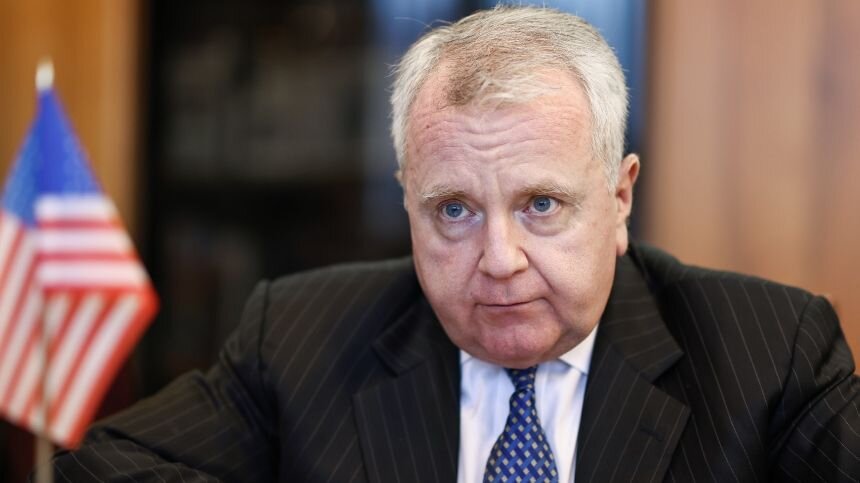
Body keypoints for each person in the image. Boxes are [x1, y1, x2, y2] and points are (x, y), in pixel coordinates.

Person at [41, 6, 859, 482]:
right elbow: (101, 465)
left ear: (619, 198)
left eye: (541, 204)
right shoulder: (297, 334)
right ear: (408, 201)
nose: (498, 259)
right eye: (455, 210)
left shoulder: (768, 354)